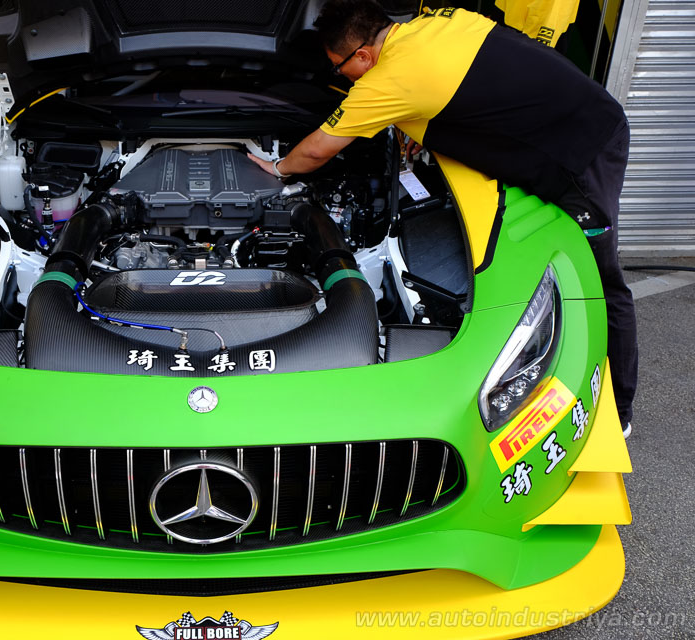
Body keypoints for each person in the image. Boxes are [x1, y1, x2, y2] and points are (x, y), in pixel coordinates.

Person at [249, 0, 637, 436]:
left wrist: (274, 169)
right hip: (566, 119)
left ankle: (618, 411)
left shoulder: (390, 79)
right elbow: (473, 82)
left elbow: (318, 150)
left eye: (341, 69)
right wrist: (424, 127)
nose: (344, 78)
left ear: (363, 55)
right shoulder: (434, 24)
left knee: (602, 281)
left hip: (583, 151)